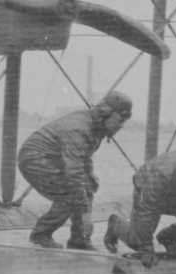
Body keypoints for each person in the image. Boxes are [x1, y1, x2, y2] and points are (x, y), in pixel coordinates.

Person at [17, 91, 133, 250]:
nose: (121, 126)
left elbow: (83, 155)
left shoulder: (97, 124)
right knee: (70, 195)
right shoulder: (81, 129)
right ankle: (41, 234)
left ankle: (79, 240)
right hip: (34, 158)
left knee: (87, 187)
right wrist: (85, 214)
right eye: (120, 120)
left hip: (54, 158)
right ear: (106, 114)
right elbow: (73, 173)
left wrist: (90, 173)